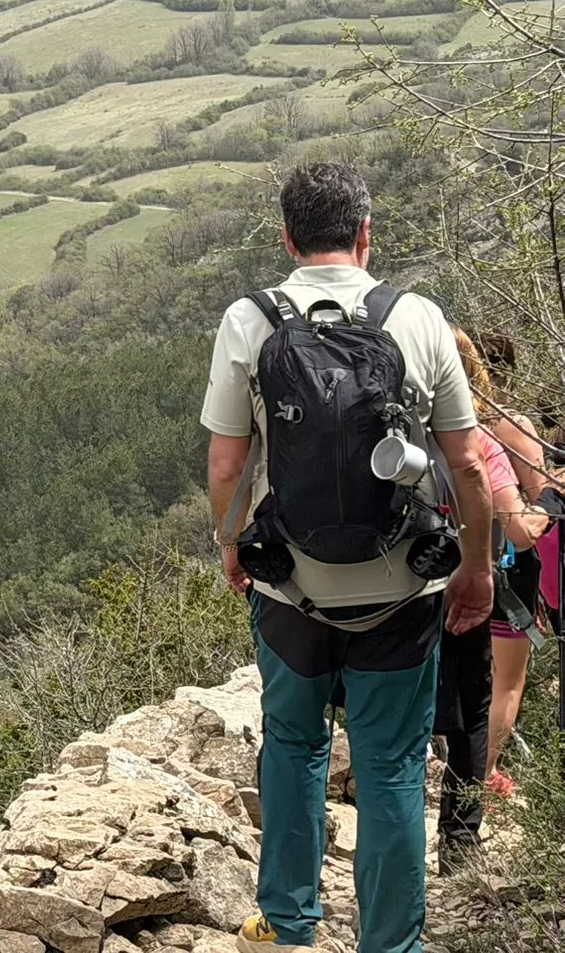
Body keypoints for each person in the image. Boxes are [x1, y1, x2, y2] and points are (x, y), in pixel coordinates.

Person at [205, 163, 495, 953]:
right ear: (367, 233)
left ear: (288, 237)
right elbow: (468, 465)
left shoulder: (249, 319)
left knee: (293, 744)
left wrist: (234, 549)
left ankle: (288, 923)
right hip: (403, 588)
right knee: (393, 764)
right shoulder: (420, 320)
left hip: (292, 586)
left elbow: (229, 466)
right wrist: (476, 566)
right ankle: (391, 943)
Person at [435, 329, 552, 862]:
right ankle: (471, 800)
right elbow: (522, 520)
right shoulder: (499, 430)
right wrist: (548, 500)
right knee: (496, 689)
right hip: (500, 577)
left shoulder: (411, 426)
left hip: (418, 580)